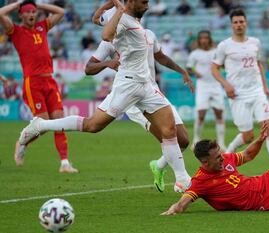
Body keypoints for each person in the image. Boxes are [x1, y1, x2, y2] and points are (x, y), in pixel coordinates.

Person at [18, 0, 194, 192]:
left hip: (146, 85)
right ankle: (40, 125)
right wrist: (118, 9)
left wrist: (111, 4)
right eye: (144, 2)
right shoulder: (122, 19)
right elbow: (106, 35)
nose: (148, 6)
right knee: (92, 125)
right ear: (131, 2)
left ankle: (182, 180)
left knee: (170, 130)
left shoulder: (135, 24)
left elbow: (96, 18)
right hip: (128, 84)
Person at [86, 1, 192, 192]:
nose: (147, 6)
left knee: (183, 140)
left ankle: (158, 166)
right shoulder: (115, 37)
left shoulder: (147, 34)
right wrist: (113, 3)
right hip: (134, 98)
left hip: (153, 92)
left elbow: (161, 57)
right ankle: (182, 180)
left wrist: (181, 70)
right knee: (167, 137)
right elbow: (96, 20)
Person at [0, 0, 78, 172]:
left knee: (59, 121)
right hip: (32, 82)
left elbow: (60, 12)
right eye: (28, 12)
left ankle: (64, 163)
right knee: (42, 124)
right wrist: (19, 3)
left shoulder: (42, 27)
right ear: (21, 15)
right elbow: (1, 14)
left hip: (49, 80)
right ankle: (22, 142)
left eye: (34, 12)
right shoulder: (16, 31)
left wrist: (40, 4)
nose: (32, 15)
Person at [211, 9, 269, 166]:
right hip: (238, 95)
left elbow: (259, 64)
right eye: (235, 22)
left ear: (246, 23)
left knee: (268, 127)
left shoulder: (255, 42)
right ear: (231, 25)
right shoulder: (224, 46)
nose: (239, 25)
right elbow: (214, 68)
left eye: (241, 22)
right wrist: (226, 85)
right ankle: (229, 151)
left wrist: (265, 86)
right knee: (248, 136)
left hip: (257, 92)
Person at [186, 30, 226, 150]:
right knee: (201, 114)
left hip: (216, 85)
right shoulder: (195, 54)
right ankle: (196, 139)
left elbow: (223, 65)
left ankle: (221, 143)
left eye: (206, 38)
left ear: (209, 39)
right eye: (201, 38)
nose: (204, 40)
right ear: (199, 40)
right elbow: (188, 68)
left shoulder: (216, 52)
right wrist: (195, 72)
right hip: (202, 86)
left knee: (219, 113)